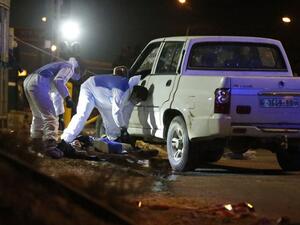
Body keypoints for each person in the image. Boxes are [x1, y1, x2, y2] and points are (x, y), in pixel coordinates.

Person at [58, 74, 148, 157]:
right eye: (138, 100)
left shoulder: (131, 95)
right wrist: (123, 128)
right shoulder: (122, 91)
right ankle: (65, 140)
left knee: (114, 126)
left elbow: (126, 115)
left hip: (104, 98)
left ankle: (113, 141)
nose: (137, 103)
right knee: (82, 115)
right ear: (135, 94)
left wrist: (125, 129)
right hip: (89, 88)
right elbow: (116, 112)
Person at [23, 57, 81, 158]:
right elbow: (58, 81)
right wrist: (68, 98)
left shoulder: (60, 65)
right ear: (79, 67)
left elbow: (57, 94)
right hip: (39, 82)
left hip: (29, 81)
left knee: (38, 116)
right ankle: (50, 147)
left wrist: (61, 116)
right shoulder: (70, 66)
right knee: (51, 117)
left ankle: (35, 145)